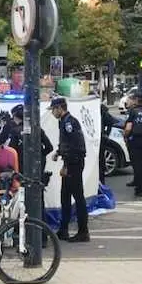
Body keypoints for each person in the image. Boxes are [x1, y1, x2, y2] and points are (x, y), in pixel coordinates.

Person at [49, 97, 89, 242]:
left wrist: (66, 166)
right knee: (64, 197)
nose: (53, 113)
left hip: (73, 163)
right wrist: (58, 152)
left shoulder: (69, 123)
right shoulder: (64, 122)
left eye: (53, 109)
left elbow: (75, 146)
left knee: (78, 197)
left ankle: (83, 231)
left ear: (59, 108)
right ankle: (63, 229)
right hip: (70, 162)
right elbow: (65, 143)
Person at [100, 101, 119, 184]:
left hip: (100, 139)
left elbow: (110, 122)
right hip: (99, 139)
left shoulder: (101, 110)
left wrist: (106, 134)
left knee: (100, 162)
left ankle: (101, 183)